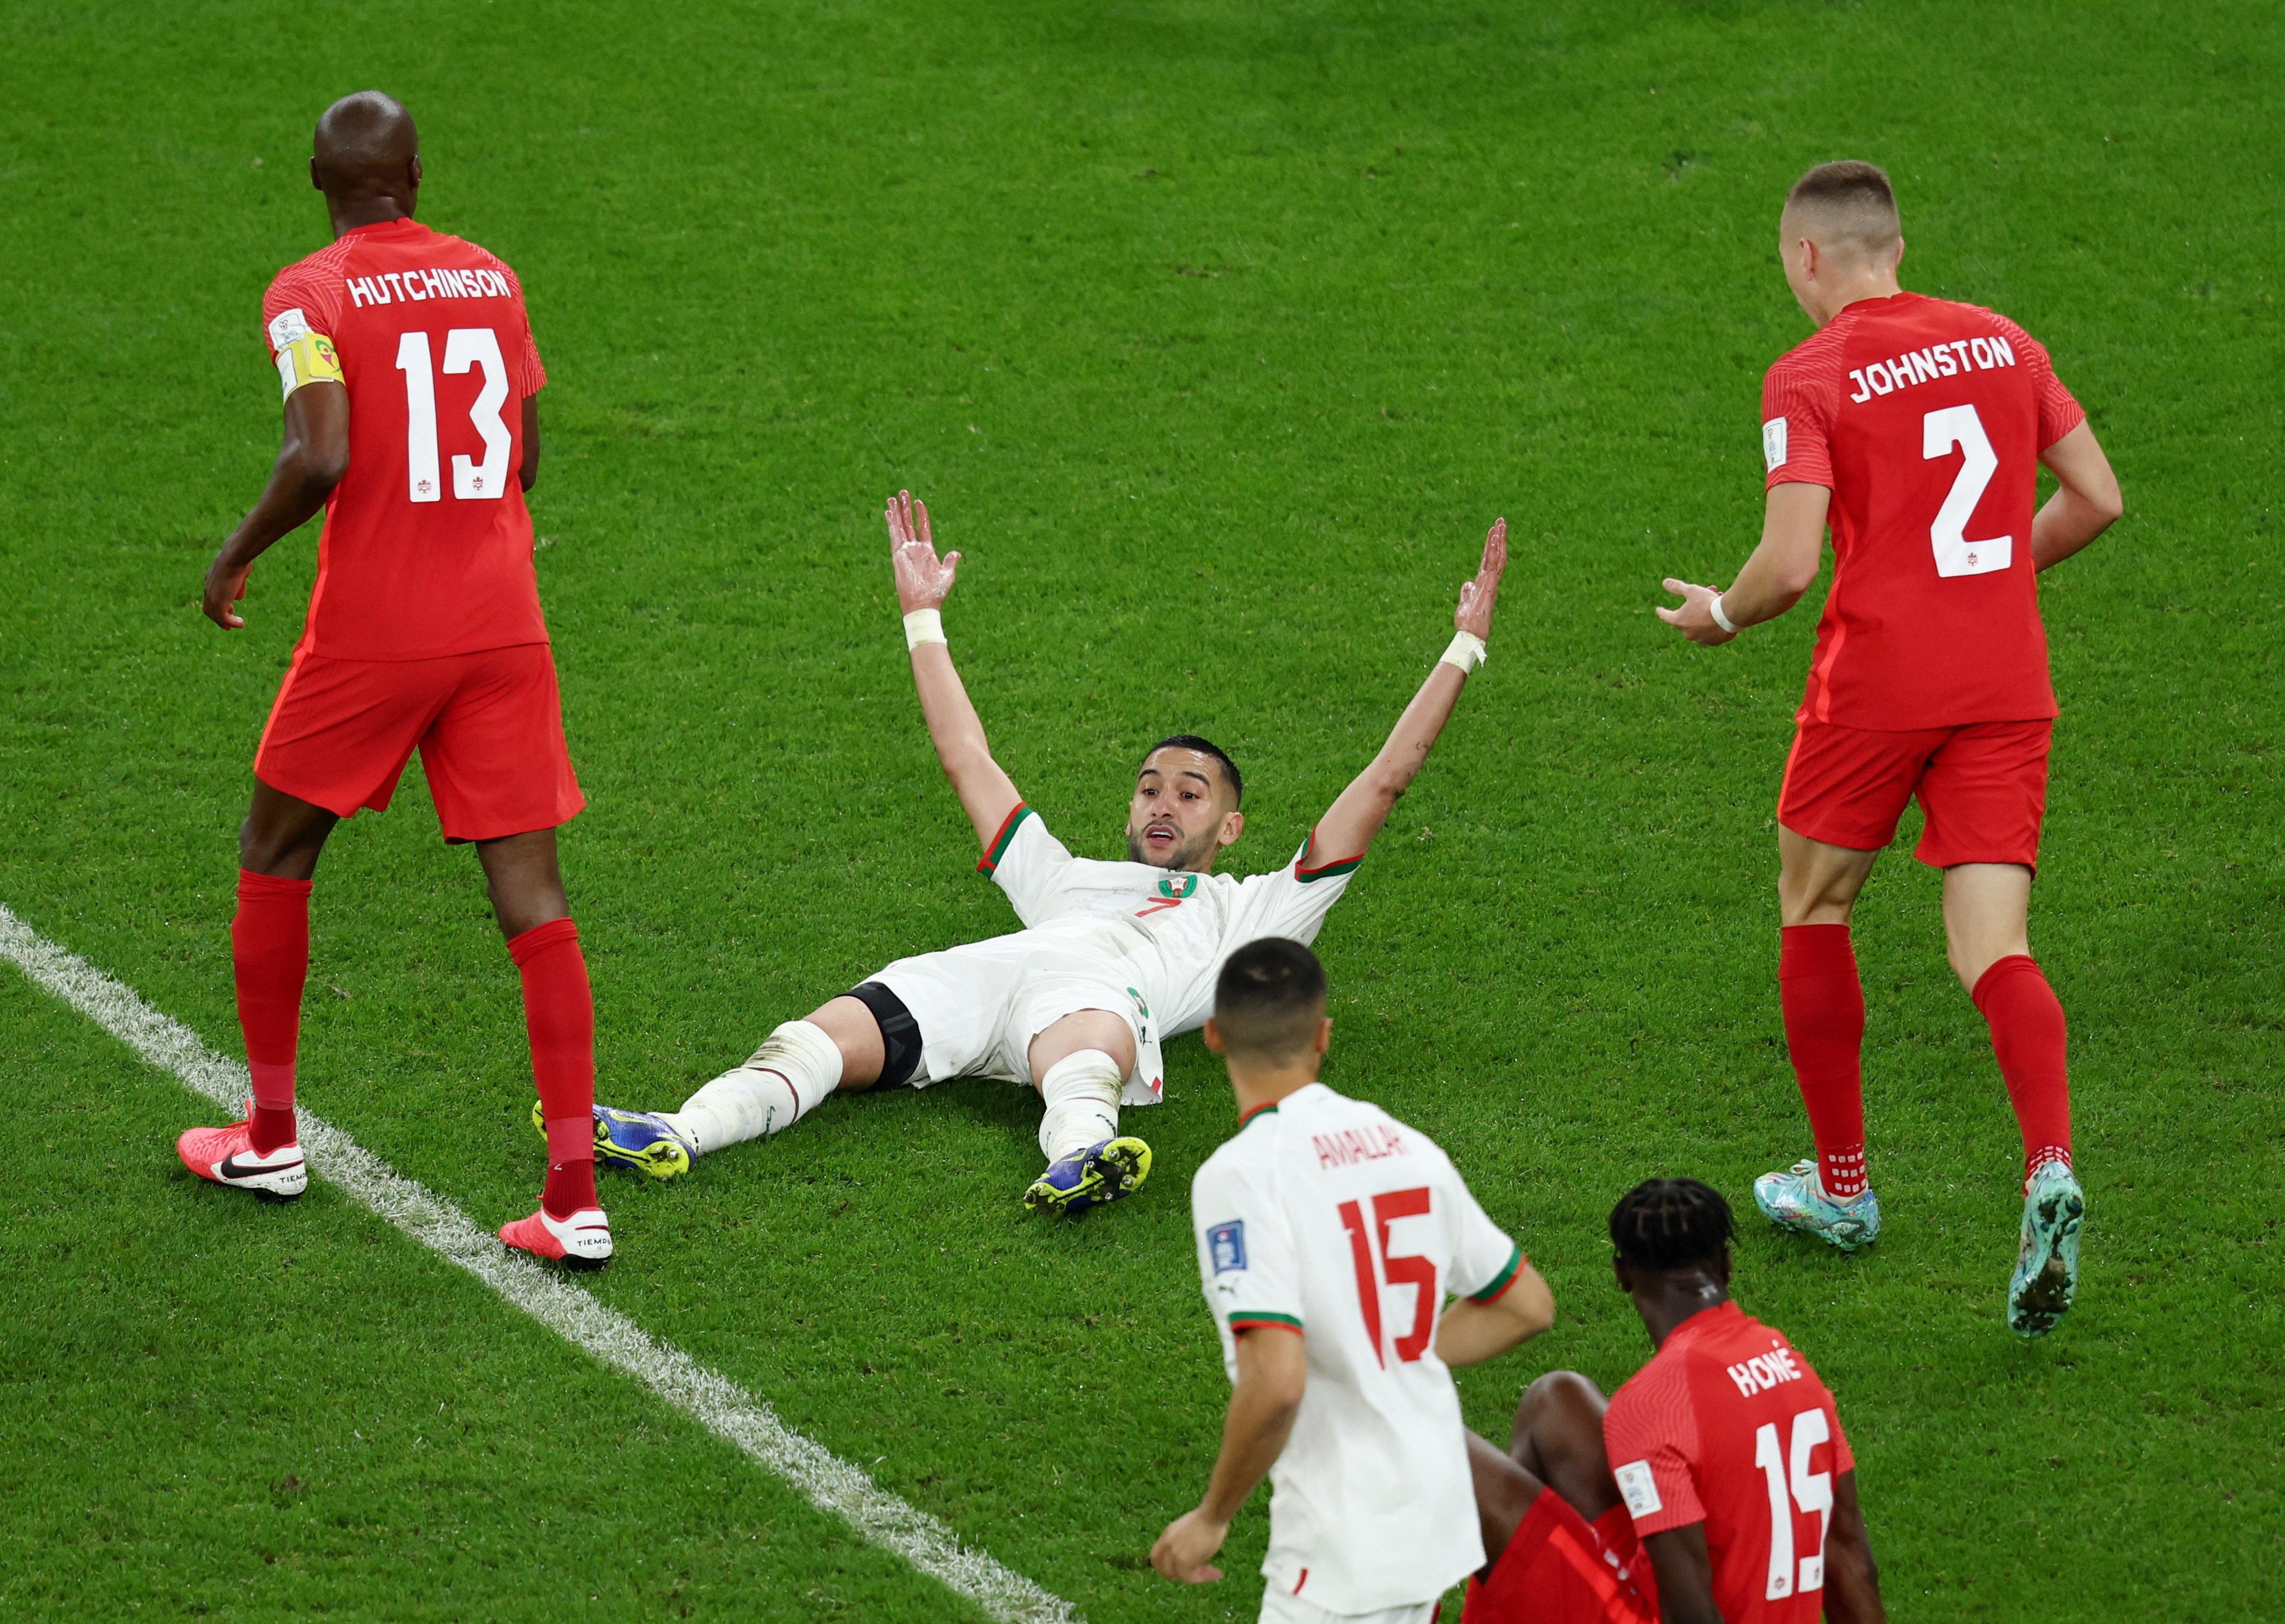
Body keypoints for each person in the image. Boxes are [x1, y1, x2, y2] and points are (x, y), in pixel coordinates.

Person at [581, 496, 1509, 1216]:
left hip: (1088, 1014)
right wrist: (921, 619)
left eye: (1191, 794)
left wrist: (1463, 646)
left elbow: (1386, 782)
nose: (1162, 803)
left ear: (1230, 827)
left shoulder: (1259, 908)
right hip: (976, 983)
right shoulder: (1060, 877)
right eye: (1150, 786)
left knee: (1091, 1023)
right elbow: (966, 758)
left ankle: (1078, 1155)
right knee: (824, 1034)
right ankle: (679, 1132)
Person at [1654, 160, 2124, 1337]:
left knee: (1815, 907)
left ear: (1807, 256)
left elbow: (1790, 567)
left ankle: (1846, 1194)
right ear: (1896, 245)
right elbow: (2099, 499)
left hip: (1875, 687)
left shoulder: (1806, 374)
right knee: (1994, 947)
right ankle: (2050, 1164)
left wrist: (1714, 614)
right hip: (2007, 683)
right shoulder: (2003, 342)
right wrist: (1991, 578)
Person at [175, 91, 610, 1265]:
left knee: (276, 857)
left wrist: (233, 554)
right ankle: (574, 1197)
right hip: (504, 628)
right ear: (416, 172)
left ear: (317, 178)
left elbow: (321, 451)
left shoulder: (306, 293)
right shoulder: (493, 277)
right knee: (536, 901)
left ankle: (269, 1133)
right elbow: (520, 452)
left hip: (375, 634)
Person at [1153, 940, 1557, 1623]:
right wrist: (1398, 1350)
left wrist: (1212, 1516)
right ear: (1323, 1034)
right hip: (1430, 1509)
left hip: (1343, 1544)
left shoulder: (1241, 1174)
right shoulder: (1404, 1143)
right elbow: (1525, 1303)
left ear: (1214, 1033)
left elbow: (1277, 1380)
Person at [1460, 1180, 1888, 1624]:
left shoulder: (1655, 1403)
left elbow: (1690, 1611)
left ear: (1621, 1274)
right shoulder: (1793, 1369)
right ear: (1726, 1264)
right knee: (1555, 1402)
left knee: (1449, 1448)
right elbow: (1851, 1559)